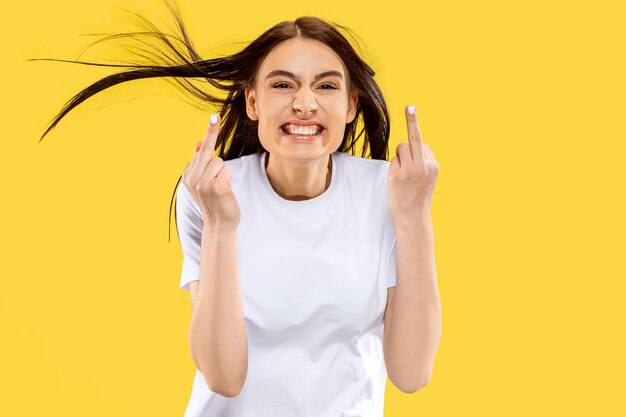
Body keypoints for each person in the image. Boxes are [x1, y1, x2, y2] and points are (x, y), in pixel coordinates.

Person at [36, 1, 442, 416]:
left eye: (326, 86)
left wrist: (414, 222)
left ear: (352, 105)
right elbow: (224, 377)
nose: (304, 103)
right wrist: (220, 225)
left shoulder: (390, 193)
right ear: (252, 103)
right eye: (283, 85)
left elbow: (411, 374)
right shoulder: (212, 192)